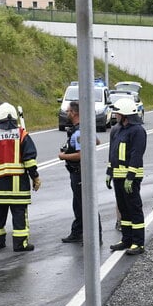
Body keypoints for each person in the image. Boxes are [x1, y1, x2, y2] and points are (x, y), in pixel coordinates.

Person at [0, 102, 41, 252]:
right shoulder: (22, 134)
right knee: (19, 219)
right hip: (18, 190)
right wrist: (35, 177)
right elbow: (30, 160)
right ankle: (20, 245)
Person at [107, 97, 147, 255]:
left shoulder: (137, 131)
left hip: (131, 178)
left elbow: (137, 155)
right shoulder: (116, 130)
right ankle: (126, 239)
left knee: (134, 209)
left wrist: (130, 176)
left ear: (125, 115)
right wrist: (109, 172)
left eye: (117, 113)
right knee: (123, 209)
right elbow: (112, 153)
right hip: (118, 176)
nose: (115, 115)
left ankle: (138, 243)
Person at [58, 101, 102, 244]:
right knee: (78, 204)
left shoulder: (79, 132)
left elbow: (81, 154)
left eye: (68, 111)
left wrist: (63, 156)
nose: (67, 113)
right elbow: (97, 141)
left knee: (86, 204)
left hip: (80, 172)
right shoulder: (84, 128)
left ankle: (95, 237)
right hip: (78, 172)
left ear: (75, 113)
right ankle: (77, 232)